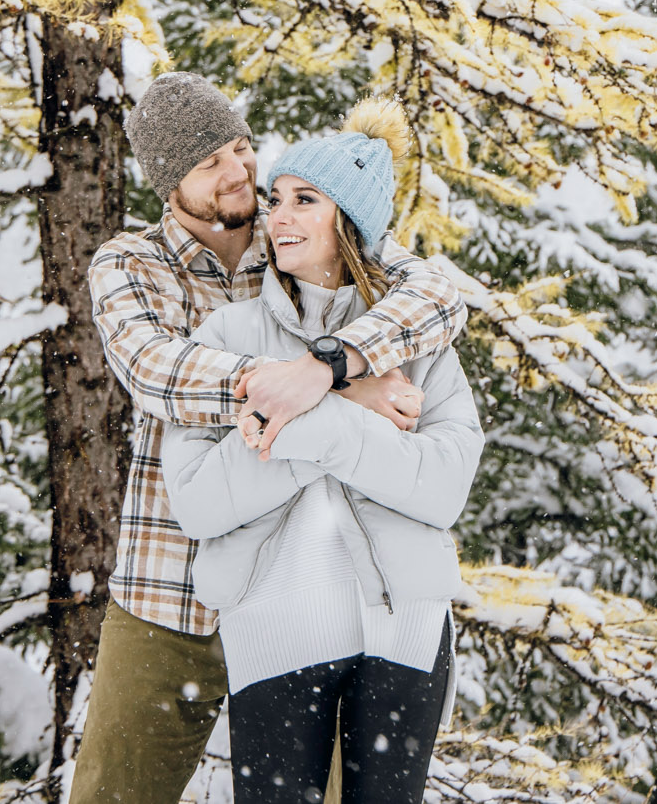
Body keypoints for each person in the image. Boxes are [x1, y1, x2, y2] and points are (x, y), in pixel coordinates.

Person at [70, 73, 467, 804]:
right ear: (170, 182)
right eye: (209, 161)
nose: (239, 171)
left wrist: (331, 361)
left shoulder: (295, 230)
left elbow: (438, 294)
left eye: (241, 145)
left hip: (306, 586)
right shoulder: (131, 265)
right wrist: (335, 382)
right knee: (112, 794)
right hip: (172, 594)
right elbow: (158, 372)